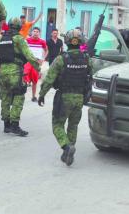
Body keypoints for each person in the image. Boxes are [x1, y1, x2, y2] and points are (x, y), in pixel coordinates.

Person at [37, 28, 93, 166]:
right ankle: (69, 151)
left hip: (64, 97)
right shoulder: (87, 59)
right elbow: (90, 78)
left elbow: (49, 80)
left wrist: (41, 95)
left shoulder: (61, 59)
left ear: (67, 42)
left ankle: (67, 147)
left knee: (57, 124)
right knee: (73, 125)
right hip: (79, 98)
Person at [0, 17, 40, 136]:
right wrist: (38, 68)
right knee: (19, 96)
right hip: (15, 72)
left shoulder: (0, 39)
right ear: (20, 27)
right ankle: (15, 125)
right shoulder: (20, 39)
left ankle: (7, 125)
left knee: (5, 97)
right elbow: (29, 56)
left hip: (2, 72)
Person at [25, 27, 48, 102]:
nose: (35, 33)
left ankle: (33, 96)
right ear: (31, 33)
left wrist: (43, 59)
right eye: (34, 31)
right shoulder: (27, 40)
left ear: (39, 33)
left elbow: (46, 51)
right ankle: (20, 95)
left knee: (35, 81)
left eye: (37, 31)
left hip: (36, 63)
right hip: (28, 62)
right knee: (24, 77)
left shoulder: (42, 42)